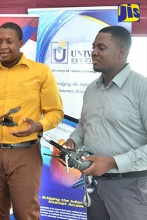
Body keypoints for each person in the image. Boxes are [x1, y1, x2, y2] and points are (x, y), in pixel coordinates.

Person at [0, 22, 64, 219]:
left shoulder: (41, 72)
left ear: (21, 42)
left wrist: (39, 125)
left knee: (25, 213)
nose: (3, 46)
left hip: (25, 153)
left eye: (9, 41)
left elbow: (55, 111)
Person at [63, 26, 147, 220]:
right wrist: (71, 143)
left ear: (121, 52)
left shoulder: (142, 89)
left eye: (101, 47)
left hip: (130, 187)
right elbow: (84, 126)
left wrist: (112, 162)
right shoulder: (91, 89)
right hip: (93, 185)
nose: (94, 52)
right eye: (93, 47)